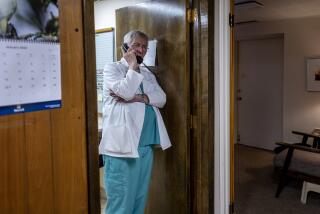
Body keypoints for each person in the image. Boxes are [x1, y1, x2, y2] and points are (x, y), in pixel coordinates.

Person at [99, 30, 172, 214]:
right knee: (121, 202)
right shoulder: (112, 68)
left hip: (145, 146)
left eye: (144, 47)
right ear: (125, 47)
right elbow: (125, 92)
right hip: (122, 148)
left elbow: (161, 98)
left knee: (139, 200)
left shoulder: (147, 73)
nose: (141, 49)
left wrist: (140, 97)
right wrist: (132, 65)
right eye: (136, 45)